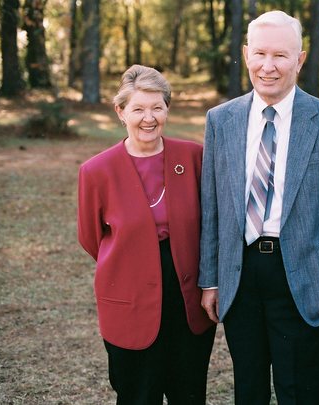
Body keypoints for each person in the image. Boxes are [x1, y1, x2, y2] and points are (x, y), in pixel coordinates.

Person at [198, 10, 319, 405]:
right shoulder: (221, 120)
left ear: (300, 60)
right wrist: (210, 279)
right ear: (247, 54)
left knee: (301, 391)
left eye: (281, 56)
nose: (268, 67)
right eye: (260, 54)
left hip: (302, 274)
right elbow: (212, 206)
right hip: (240, 273)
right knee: (248, 389)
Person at [77, 64, 216, 405]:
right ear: (121, 112)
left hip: (186, 294)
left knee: (188, 392)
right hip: (129, 294)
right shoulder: (96, 171)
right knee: (138, 394)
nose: (148, 117)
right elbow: (90, 237)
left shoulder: (194, 157)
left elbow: (211, 221)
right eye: (138, 108)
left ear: (168, 108)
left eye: (157, 107)